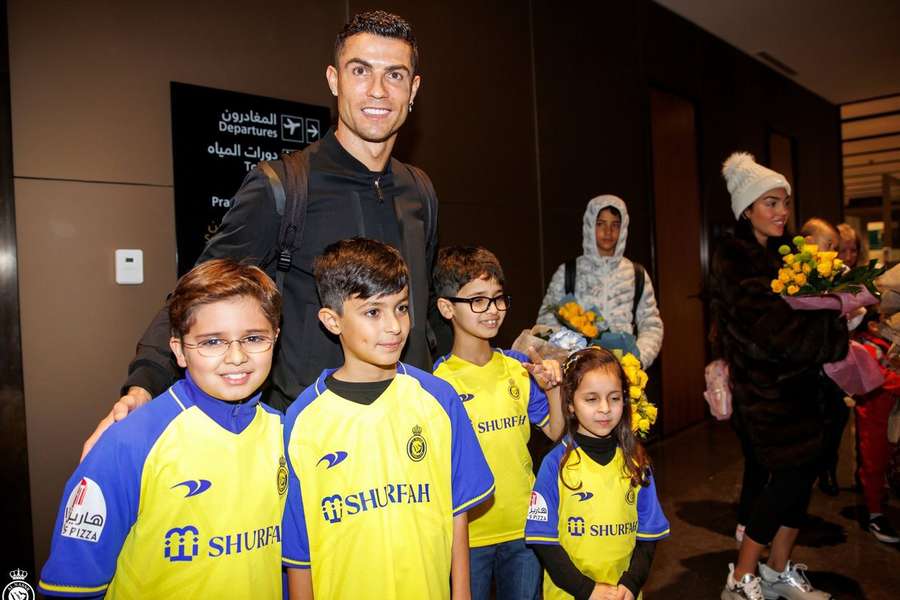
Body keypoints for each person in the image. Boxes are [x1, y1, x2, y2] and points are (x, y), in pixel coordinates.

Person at [83, 10, 437, 456]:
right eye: (360, 70)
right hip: (313, 444)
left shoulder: (420, 191)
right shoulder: (284, 187)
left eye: (395, 75)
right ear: (334, 79)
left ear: (414, 89)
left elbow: (424, 317)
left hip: (409, 433)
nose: (378, 91)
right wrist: (143, 386)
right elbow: (197, 294)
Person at [38, 259, 286, 598]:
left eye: (254, 338)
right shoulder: (129, 442)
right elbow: (71, 584)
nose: (237, 357)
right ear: (180, 352)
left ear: (275, 338)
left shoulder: (285, 434)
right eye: (212, 342)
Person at [281, 238, 495, 600]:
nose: (395, 327)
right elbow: (299, 555)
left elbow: (459, 517)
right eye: (372, 312)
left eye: (401, 308)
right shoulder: (302, 419)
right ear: (332, 321)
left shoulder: (439, 399)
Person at [711, 152, 848, 600]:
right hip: (766, 393)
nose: (781, 212)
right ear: (747, 208)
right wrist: (832, 322)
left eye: (784, 202)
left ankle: (778, 570)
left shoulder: (784, 255)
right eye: (770, 202)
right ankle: (742, 574)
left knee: (802, 480)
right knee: (784, 480)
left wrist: (832, 305)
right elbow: (773, 333)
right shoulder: (736, 259)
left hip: (806, 389)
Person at [432, 246, 565, 600]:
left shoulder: (519, 367)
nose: (492, 311)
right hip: (467, 537)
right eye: (477, 300)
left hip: (523, 528)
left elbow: (554, 430)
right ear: (447, 308)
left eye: (497, 299)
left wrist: (553, 389)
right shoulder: (435, 382)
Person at [524, 346, 669, 600]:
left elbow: (648, 534)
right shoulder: (554, 464)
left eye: (614, 398)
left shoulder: (637, 462)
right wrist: (587, 590)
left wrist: (631, 583)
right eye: (591, 399)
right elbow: (543, 541)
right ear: (569, 404)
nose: (605, 408)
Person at [536, 196, 663, 368]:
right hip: (579, 371)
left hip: (624, 372)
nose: (608, 231)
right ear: (589, 225)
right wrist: (570, 355)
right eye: (600, 223)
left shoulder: (636, 274)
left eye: (615, 225)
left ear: (623, 228)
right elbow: (546, 323)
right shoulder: (567, 272)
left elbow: (651, 324)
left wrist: (636, 360)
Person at [799, 218, 850, 497]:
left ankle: (827, 468)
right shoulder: (794, 273)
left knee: (836, 418)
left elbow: (853, 315)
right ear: (807, 243)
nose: (834, 252)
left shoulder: (839, 273)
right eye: (829, 244)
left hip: (833, 363)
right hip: (805, 366)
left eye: (836, 247)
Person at [852, 267, 900, 544]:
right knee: (874, 462)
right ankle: (874, 513)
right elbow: (879, 380)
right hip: (875, 413)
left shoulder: (883, 342)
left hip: (886, 413)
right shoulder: (867, 346)